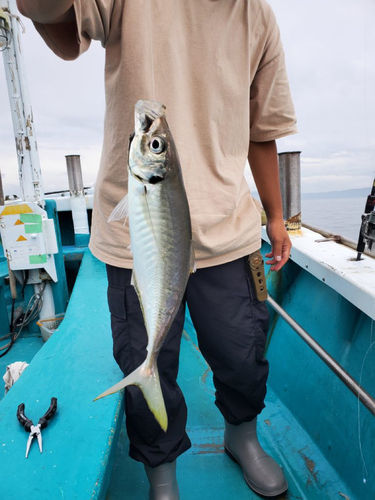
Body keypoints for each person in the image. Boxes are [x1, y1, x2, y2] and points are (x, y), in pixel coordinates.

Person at [17, 1, 297, 498]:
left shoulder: (256, 14)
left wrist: (275, 218)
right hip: (136, 238)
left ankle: (242, 435)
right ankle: (160, 473)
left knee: (243, 354)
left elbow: (262, 129)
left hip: (230, 231)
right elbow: (55, 18)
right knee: (146, 361)